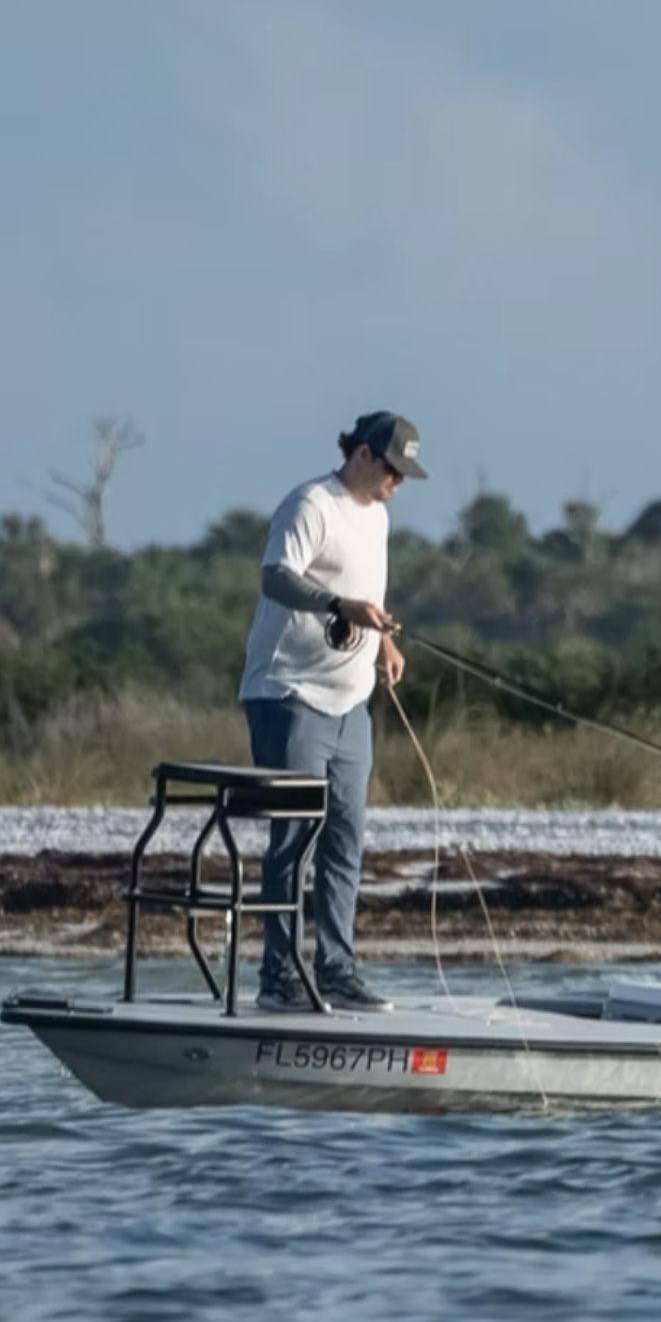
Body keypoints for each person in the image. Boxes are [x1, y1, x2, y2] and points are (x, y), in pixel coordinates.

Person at [240, 410, 427, 1012]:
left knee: (346, 841)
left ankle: (337, 969)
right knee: (294, 838)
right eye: (394, 469)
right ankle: (280, 977)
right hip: (288, 694)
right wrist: (337, 606)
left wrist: (384, 641)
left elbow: (368, 594)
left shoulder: (380, 518)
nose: (398, 482)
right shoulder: (311, 504)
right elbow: (275, 578)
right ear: (365, 454)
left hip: (352, 706)